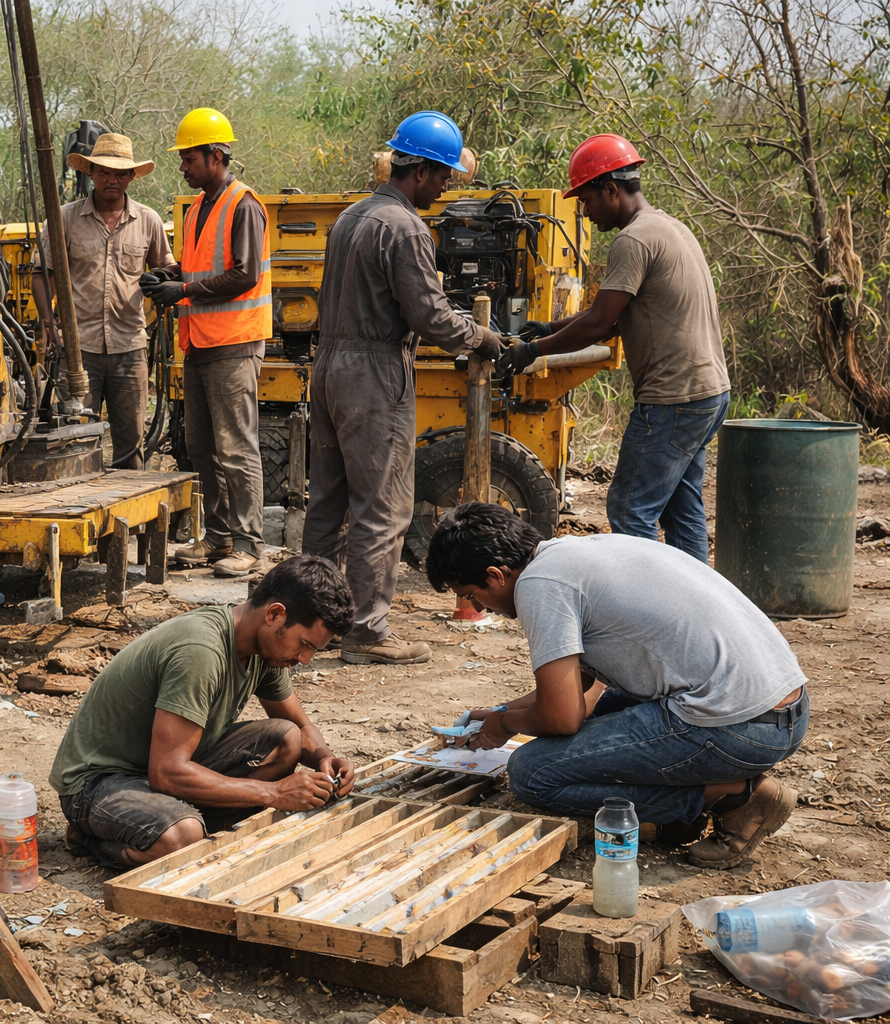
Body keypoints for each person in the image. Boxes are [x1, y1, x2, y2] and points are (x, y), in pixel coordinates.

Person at [427, 502, 807, 869]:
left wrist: (506, 726)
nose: (481, 607)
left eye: (474, 597)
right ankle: (679, 813)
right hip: (783, 710)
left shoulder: (539, 586)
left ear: (496, 574)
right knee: (600, 719)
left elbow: (563, 718)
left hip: (741, 729)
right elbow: (584, 688)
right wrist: (502, 712)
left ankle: (733, 797)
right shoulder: (573, 553)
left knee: (533, 773)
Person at [303, 111, 504, 666]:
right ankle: (366, 634)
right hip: (373, 371)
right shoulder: (406, 227)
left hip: (330, 366)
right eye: (442, 176)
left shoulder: (351, 217)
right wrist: (482, 337)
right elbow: (429, 314)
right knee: (383, 507)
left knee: (327, 502)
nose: (444, 188)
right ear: (419, 172)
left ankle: (307, 622)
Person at [500, 134, 730, 560]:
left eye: (587, 200)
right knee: (682, 509)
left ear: (611, 189)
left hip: (673, 397)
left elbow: (598, 324)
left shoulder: (633, 241)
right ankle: (692, 609)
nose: (585, 213)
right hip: (708, 392)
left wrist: (532, 351)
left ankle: (642, 613)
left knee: (630, 507)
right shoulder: (669, 227)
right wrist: (547, 327)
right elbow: (611, 315)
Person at [50, 554, 358, 867]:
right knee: (183, 836)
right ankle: (91, 840)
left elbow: (302, 729)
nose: (304, 659)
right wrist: (273, 793)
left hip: (158, 769)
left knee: (287, 740)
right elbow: (166, 772)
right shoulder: (201, 651)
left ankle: (183, 819)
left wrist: (324, 758)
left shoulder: (266, 650)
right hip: (96, 782)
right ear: (275, 614)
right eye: (304, 644)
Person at [143, 108, 270, 579]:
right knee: (200, 445)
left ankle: (250, 544)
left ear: (216, 156)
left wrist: (185, 291)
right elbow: (198, 265)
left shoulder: (243, 205)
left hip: (234, 345)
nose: (183, 166)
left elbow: (245, 273)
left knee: (236, 447)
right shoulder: (198, 207)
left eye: (189, 158)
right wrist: (169, 275)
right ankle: (217, 539)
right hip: (199, 344)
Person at [34, 134, 170, 470]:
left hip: (130, 349)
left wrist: (165, 281)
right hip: (80, 351)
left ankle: (127, 520)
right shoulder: (64, 218)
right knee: (74, 443)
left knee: (129, 446)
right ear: (91, 172)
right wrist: (47, 322)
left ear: (131, 177)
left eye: (121, 173)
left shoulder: (148, 221)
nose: (113, 180)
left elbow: (166, 268)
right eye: (105, 172)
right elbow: (42, 273)